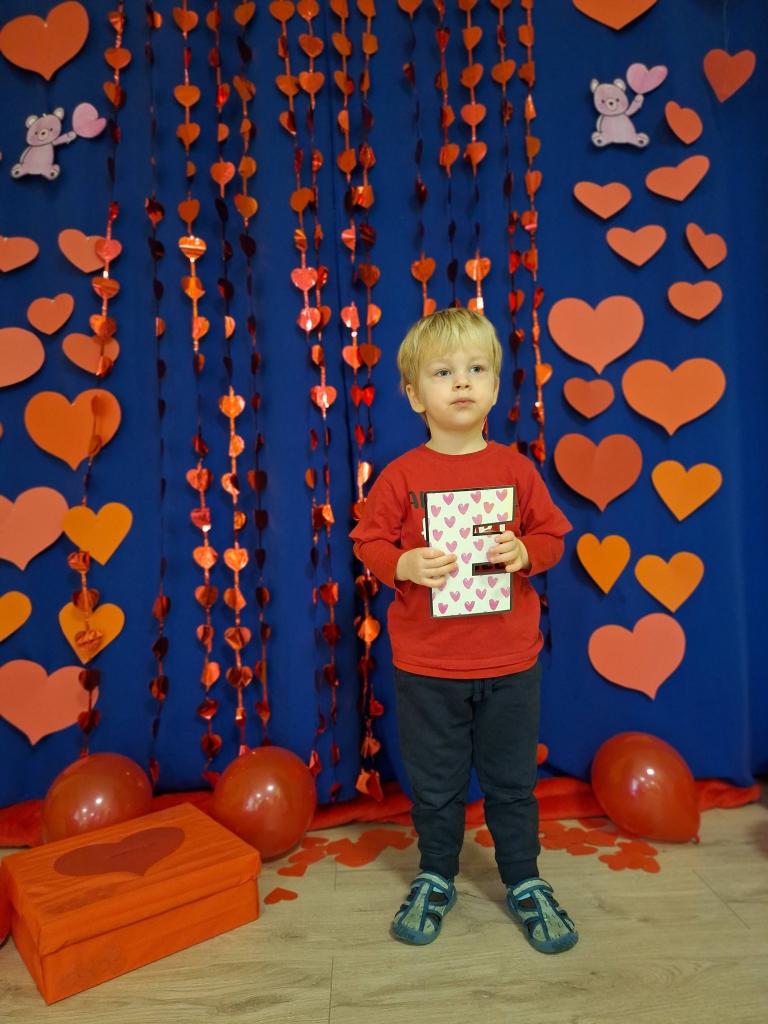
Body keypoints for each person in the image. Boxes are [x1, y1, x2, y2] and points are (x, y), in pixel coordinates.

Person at [349, 307, 578, 954]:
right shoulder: (401, 475)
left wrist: (525, 552)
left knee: (512, 784)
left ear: (496, 387)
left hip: (510, 664)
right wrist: (402, 564)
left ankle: (525, 879)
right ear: (414, 394)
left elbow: (554, 536)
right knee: (436, 786)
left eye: (476, 369)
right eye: (443, 372)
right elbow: (368, 542)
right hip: (427, 669)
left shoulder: (517, 470)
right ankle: (435, 874)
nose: (461, 383)